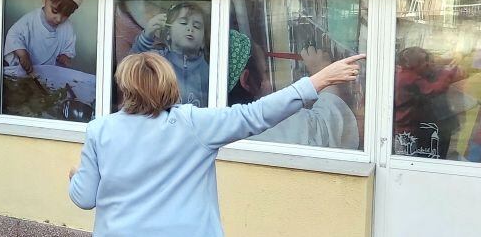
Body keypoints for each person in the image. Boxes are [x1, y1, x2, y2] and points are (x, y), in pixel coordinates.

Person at [69, 51, 364, 236]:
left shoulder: (100, 130)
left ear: (124, 86)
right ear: (169, 84)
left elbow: (84, 198)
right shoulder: (194, 124)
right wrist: (319, 80)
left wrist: (75, 177)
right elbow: (257, 114)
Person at [227, 30, 359, 149]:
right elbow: (326, 128)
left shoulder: (223, 122)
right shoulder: (265, 125)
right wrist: (323, 73)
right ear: (246, 80)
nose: (271, 83)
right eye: (266, 72)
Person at [130, 2, 209, 106]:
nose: (190, 28)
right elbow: (131, 68)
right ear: (168, 34)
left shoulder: (207, 69)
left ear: (203, 41)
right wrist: (147, 36)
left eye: (196, 26)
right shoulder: (159, 60)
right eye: (183, 23)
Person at [3, 0, 85, 75]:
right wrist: (23, 55)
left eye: (66, 15)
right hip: (27, 70)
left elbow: (68, 46)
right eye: (55, 11)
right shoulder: (30, 20)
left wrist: (65, 56)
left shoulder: (68, 27)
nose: (59, 19)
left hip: (51, 73)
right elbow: (14, 35)